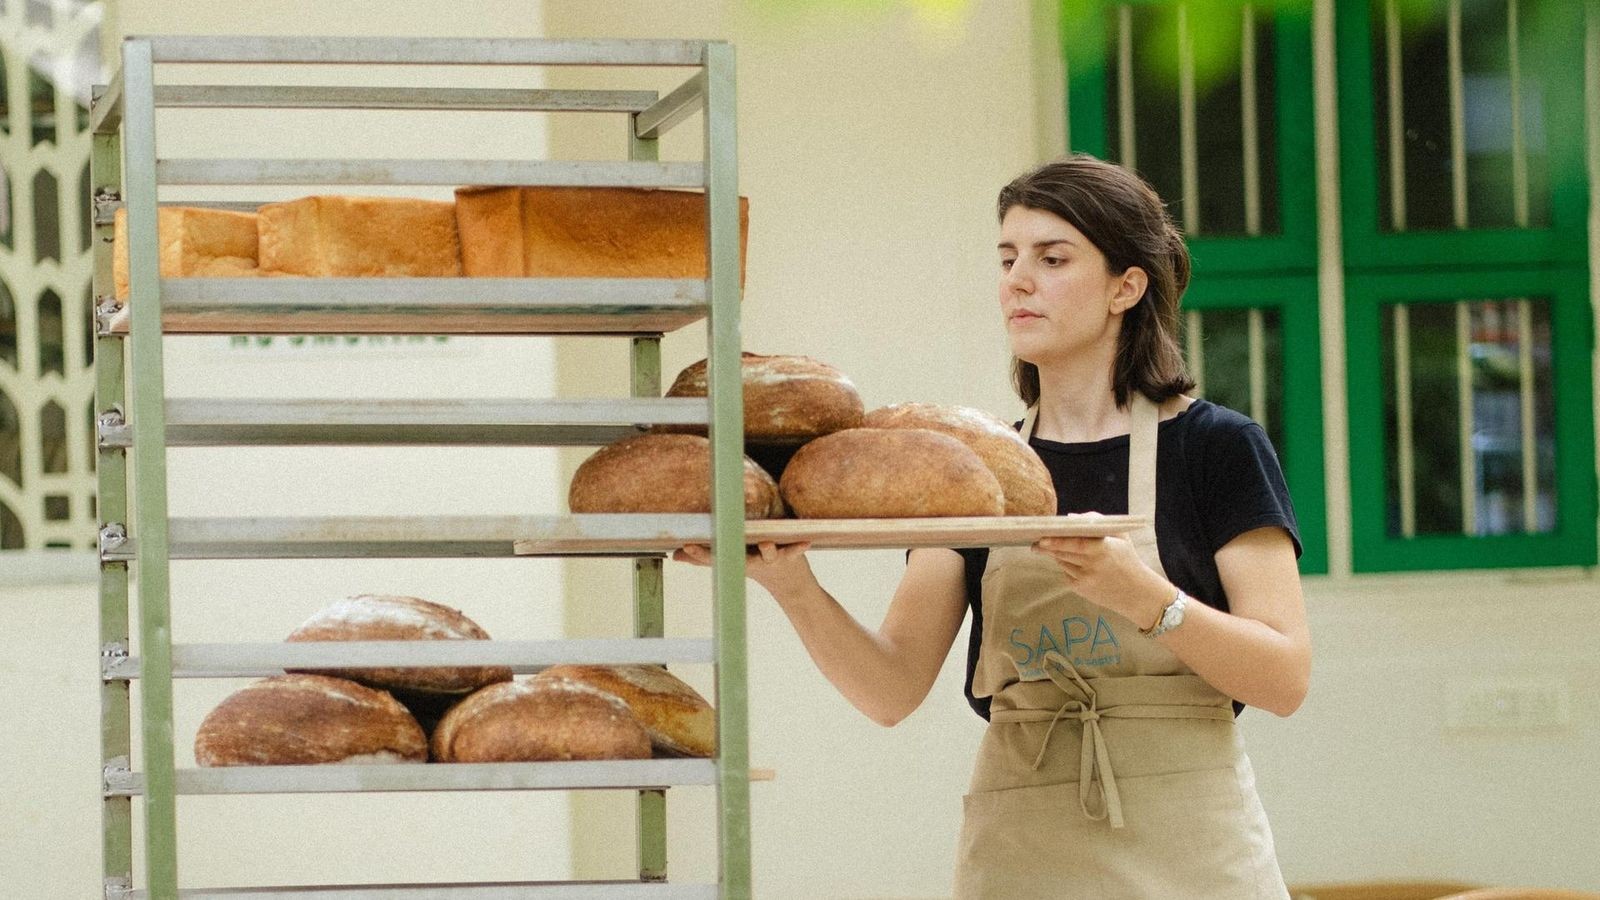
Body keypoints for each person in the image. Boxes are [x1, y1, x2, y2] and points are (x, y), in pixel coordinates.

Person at [675, 154, 1309, 898]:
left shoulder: (1217, 449)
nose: (1017, 280)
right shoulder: (970, 469)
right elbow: (891, 689)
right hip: (1023, 845)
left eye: (1052, 258)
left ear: (1126, 287)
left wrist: (1143, 597)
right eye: (1007, 258)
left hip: (1193, 849)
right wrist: (791, 582)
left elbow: (1284, 676)